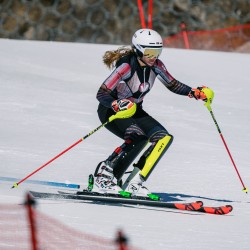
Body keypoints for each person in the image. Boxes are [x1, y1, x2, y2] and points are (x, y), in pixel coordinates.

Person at [93, 28, 213, 199]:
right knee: (136, 135)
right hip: (111, 111)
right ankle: (103, 176)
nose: (153, 56)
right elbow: (101, 93)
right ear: (138, 50)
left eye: (157, 52)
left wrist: (194, 93)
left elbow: (173, 84)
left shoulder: (157, 65)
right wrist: (115, 103)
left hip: (134, 111)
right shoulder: (126, 66)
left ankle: (135, 181)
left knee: (163, 137)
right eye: (149, 52)